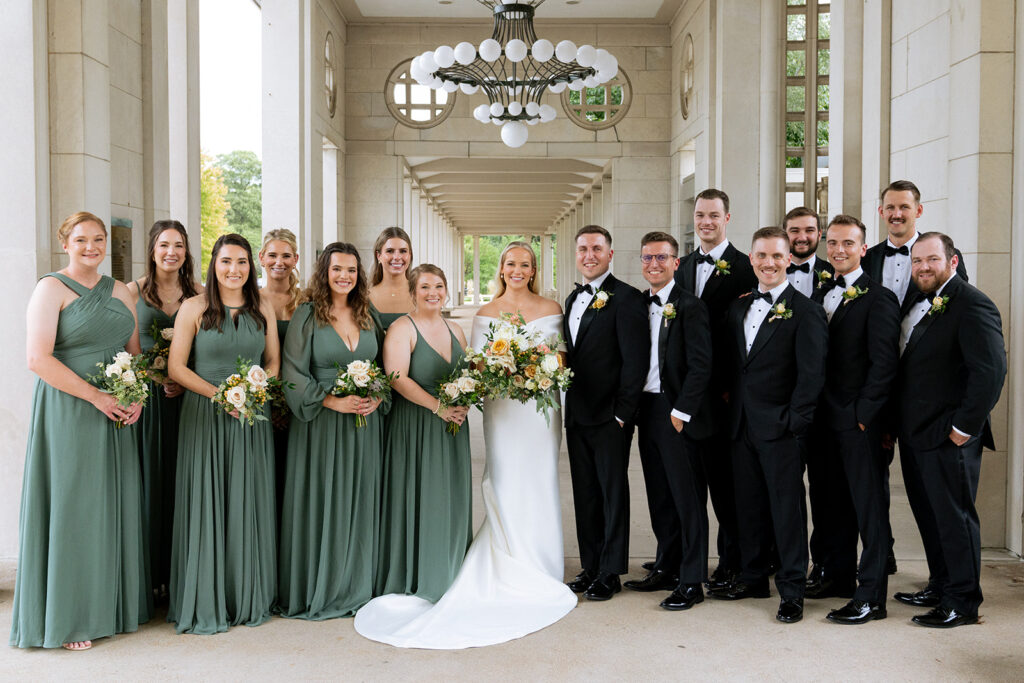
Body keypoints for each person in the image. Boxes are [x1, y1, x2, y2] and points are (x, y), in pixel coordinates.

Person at [354, 243, 576, 648]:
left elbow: (561, 358)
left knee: (541, 479)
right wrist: (503, 374)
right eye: (510, 263)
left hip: (541, 410)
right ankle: (501, 552)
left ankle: (541, 562)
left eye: (525, 264)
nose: (517, 270)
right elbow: (477, 365)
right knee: (506, 477)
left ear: (534, 268)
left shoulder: (552, 307)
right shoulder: (484, 315)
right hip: (503, 409)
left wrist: (537, 368)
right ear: (501, 269)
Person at [10, 211, 150, 650]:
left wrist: (137, 397)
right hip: (70, 410)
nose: (91, 247)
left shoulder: (120, 292)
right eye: (82, 239)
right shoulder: (49, 288)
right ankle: (69, 617)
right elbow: (38, 359)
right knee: (73, 507)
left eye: (99, 239)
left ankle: (112, 607)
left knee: (110, 503)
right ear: (65, 243)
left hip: (117, 412)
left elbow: (135, 353)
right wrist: (97, 397)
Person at [709, 226, 827, 624]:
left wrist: (794, 423)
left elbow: (812, 377)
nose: (769, 263)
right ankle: (754, 577)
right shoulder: (740, 306)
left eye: (777, 256)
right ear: (753, 260)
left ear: (788, 258)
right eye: (761, 256)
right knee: (749, 507)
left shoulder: (807, 311)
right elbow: (732, 363)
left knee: (788, 512)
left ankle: (792, 590)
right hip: (741, 427)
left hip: (782, 430)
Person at [167, 233, 279, 635]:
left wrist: (252, 394)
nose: (235, 269)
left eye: (243, 262)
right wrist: (222, 396)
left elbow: (273, 363)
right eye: (227, 261)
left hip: (250, 415)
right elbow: (177, 368)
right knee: (208, 500)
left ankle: (245, 594)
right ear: (214, 264)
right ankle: (207, 596)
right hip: (204, 414)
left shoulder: (261, 306)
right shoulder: (194, 308)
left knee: (246, 499)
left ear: (252, 266)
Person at [895, 232, 1005, 628]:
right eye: (917, 260)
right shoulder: (915, 298)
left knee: (955, 518)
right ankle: (940, 584)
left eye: (932, 260)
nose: (923, 267)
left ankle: (962, 602)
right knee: (929, 515)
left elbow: (990, 372)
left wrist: (964, 428)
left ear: (952, 261)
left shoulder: (973, 305)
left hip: (949, 434)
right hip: (915, 432)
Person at [277, 243, 386, 619]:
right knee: (322, 501)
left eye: (352, 270)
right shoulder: (307, 315)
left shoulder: (369, 314)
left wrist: (376, 396)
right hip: (319, 425)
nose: (345, 276)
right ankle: (319, 586)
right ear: (324, 272)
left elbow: (384, 367)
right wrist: (329, 401)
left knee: (359, 501)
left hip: (364, 427)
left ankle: (356, 584)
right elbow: (291, 372)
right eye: (337, 269)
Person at [358, 264, 472, 621]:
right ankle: (419, 574)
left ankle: (450, 569)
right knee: (420, 495)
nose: (432, 293)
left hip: (453, 425)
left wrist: (466, 399)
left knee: (450, 496)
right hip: (417, 425)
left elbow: (466, 373)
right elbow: (396, 378)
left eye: (439, 286)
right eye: (424, 287)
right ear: (412, 292)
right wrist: (439, 407)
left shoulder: (456, 329)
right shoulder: (401, 328)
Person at [808, 215, 900, 624]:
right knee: (830, 504)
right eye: (833, 244)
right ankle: (838, 577)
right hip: (822, 422)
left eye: (848, 244)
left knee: (869, 511)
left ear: (864, 249)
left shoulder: (879, 298)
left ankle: (872, 597)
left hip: (858, 422)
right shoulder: (822, 292)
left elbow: (884, 364)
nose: (839, 250)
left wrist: (865, 416)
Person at [672, 189, 756, 589]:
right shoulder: (682, 266)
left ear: (727, 218)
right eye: (700, 215)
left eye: (713, 215)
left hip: (725, 398)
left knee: (728, 489)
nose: (706, 221)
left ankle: (732, 563)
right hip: (688, 398)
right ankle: (687, 561)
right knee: (691, 488)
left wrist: (728, 388)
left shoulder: (746, 268)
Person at [626, 232, 713, 611]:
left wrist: (681, 412)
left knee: (687, 498)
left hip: (675, 412)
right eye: (647, 258)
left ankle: (692, 580)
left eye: (662, 258)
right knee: (659, 494)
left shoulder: (690, 306)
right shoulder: (636, 304)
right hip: (645, 409)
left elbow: (701, 364)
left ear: (676, 262)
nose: (654, 264)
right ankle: (666, 565)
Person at [563, 225, 647, 601]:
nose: (589, 255)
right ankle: (591, 564)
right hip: (577, 412)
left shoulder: (627, 298)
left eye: (597, 248)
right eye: (583, 249)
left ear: (610, 255)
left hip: (610, 415)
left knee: (613, 492)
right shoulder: (571, 298)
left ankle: (611, 571)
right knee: (585, 493)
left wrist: (622, 414)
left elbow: (635, 361)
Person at [126, 220, 201, 601]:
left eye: (179, 245)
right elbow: (124, 349)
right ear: (152, 248)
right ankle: (148, 577)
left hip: (189, 401)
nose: (171, 252)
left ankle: (178, 574)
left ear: (187, 252)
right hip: (149, 403)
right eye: (164, 244)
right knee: (150, 481)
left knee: (183, 484)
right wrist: (156, 378)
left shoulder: (200, 294)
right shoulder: (131, 292)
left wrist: (182, 379)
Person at [863, 180, 968, 307]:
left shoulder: (947, 255)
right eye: (890, 207)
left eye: (904, 207)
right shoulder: (865, 259)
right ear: (881, 212)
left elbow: (960, 302)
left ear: (918, 211)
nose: (896, 214)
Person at [259, 228, 301, 523]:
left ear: (296, 259)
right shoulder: (249, 300)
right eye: (272, 255)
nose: (279, 261)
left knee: (295, 474)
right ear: (261, 258)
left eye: (286, 255)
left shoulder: (308, 300)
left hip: (299, 401)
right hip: (261, 398)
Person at [368, 227, 415, 332]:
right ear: (378, 256)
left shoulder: (422, 295)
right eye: (390, 251)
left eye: (403, 251)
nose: (397, 257)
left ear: (410, 255)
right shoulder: (364, 298)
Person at [783, 206, 833, 297]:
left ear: (819, 235)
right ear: (784, 236)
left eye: (809, 230)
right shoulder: (765, 274)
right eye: (795, 231)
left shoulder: (833, 273)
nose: (802, 238)